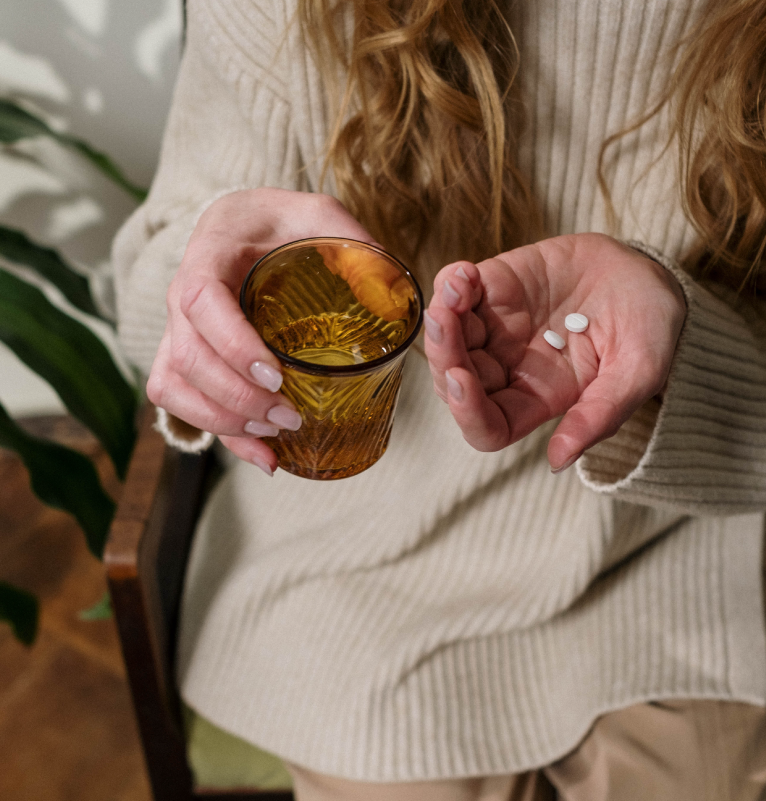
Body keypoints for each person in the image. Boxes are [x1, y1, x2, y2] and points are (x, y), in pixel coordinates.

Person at [111, 0, 766, 797]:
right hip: (352, 554)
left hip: (676, 551)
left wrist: (679, 348)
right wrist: (202, 291)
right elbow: (152, 290)